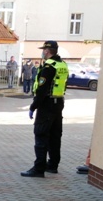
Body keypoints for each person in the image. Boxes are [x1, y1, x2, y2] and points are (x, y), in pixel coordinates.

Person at [21, 40, 69, 178]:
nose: (42, 52)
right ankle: (53, 165)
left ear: (47, 51)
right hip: (58, 103)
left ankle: (39, 168)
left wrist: (33, 106)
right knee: (55, 136)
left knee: (41, 134)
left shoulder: (48, 67)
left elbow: (42, 89)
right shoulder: (63, 65)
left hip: (47, 104)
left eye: (43, 50)